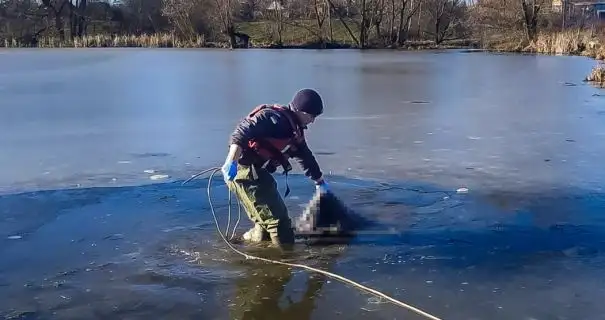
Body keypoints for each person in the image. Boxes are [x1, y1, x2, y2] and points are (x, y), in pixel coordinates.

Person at [221, 88, 330, 249]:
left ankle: (247, 249)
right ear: (300, 111)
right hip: (243, 172)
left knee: (266, 226)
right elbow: (240, 133)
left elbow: (306, 157)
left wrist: (319, 181)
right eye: (312, 116)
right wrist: (232, 162)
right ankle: (286, 263)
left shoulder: (295, 130)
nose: (313, 121)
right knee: (279, 224)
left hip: (258, 173)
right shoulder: (272, 118)